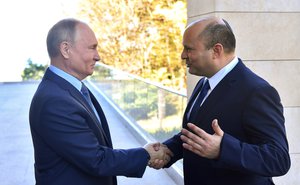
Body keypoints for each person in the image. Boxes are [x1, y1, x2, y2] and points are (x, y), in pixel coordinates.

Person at [29, 18, 171, 185]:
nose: (98, 56)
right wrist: (145, 154)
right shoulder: (55, 101)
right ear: (66, 49)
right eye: (92, 48)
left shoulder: (70, 89)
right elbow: (96, 160)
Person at [150, 16, 291, 184]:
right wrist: (167, 151)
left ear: (216, 50)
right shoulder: (204, 82)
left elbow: (278, 159)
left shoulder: (257, 91)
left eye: (189, 49)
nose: (182, 55)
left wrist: (223, 149)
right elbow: (196, 134)